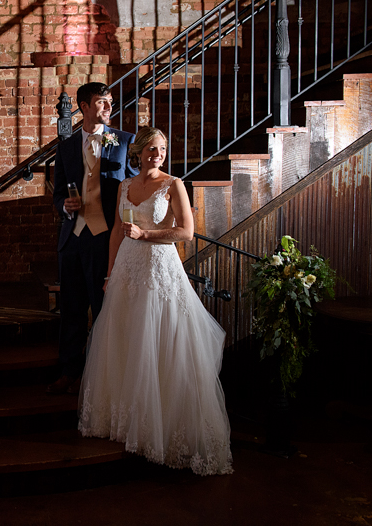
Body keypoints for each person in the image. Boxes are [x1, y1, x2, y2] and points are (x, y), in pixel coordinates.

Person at [78, 127, 233, 476]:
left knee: (159, 342)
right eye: (151, 148)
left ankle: (160, 429)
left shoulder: (173, 184)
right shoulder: (124, 185)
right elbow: (117, 231)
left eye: (161, 149)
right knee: (127, 342)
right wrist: (108, 273)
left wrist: (146, 234)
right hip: (127, 272)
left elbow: (186, 232)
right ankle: (126, 421)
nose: (157, 154)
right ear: (138, 152)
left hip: (159, 267)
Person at [49, 82, 138, 394]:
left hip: (106, 241)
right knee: (72, 309)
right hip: (72, 239)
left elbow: (136, 187)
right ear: (84, 107)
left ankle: (105, 377)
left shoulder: (126, 141)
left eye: (110, 102)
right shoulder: (66, 147)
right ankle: (70, 371)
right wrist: (64, 205)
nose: (108, 108)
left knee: (105, 309)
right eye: (102, 102)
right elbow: (58, 193)